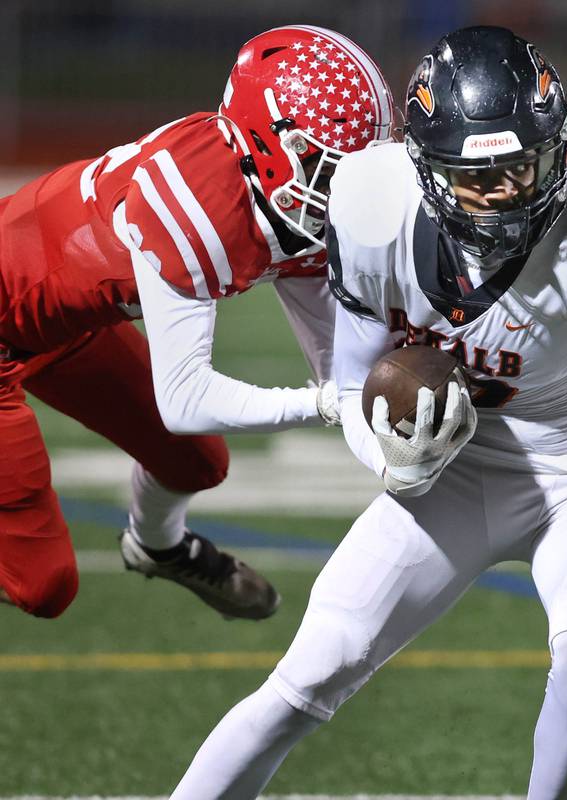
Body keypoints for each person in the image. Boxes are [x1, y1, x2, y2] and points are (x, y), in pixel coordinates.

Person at [167, 25, 567, 799]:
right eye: (479, 175)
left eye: (521, 167)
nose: (505, 192)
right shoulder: (371, 207)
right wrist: (392, 458)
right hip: (451, 478)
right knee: (306, 676)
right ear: (427, 172)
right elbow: (353, 381)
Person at [0, 25, 394, 621]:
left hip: (58, 322)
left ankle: (157, 546)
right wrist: (323, 405)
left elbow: (341, 367)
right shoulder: (194, 203)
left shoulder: (290, 200)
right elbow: (185, 401)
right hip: (8, 325)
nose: (351, 188)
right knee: (45, 587)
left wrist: (389, 429)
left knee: (198, 463)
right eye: (331, 166)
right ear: (268, 143)